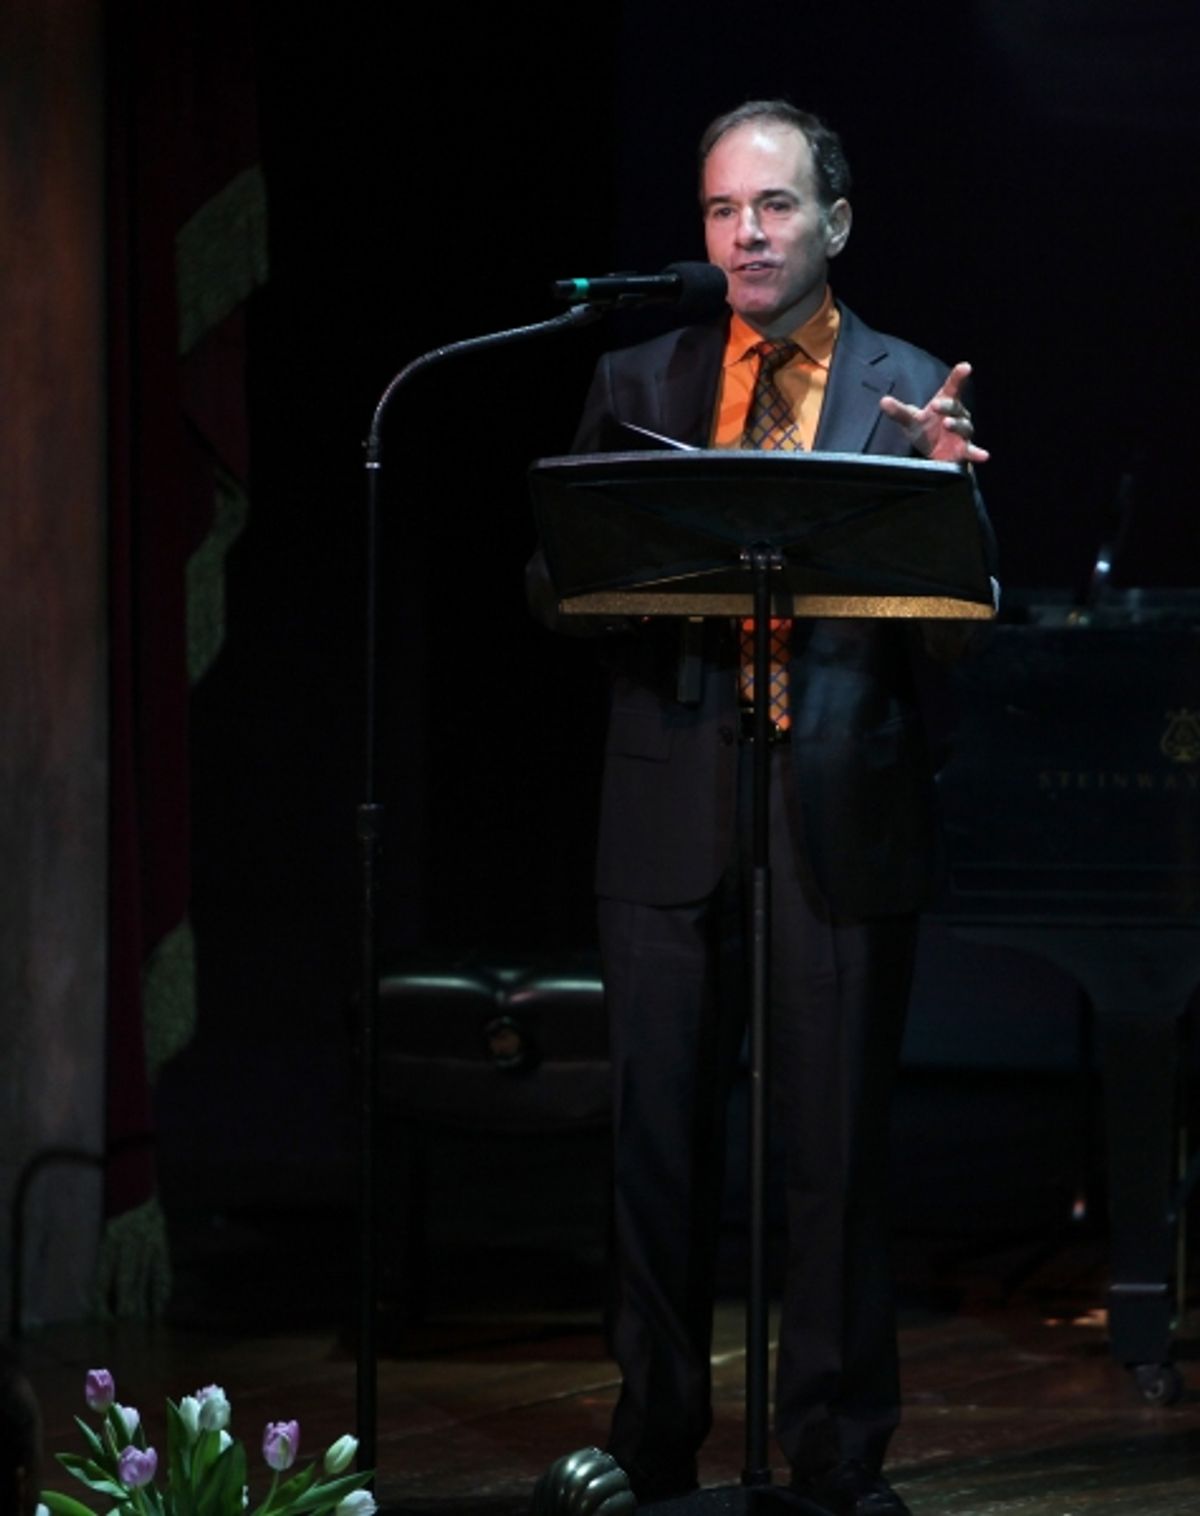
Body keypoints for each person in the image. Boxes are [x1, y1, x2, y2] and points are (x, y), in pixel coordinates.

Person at [528, 99, 996, 1515]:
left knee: (833, 1157)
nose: (745, 233)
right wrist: (619, 548)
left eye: (775, 206)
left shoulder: (912, 384)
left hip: (840, 811)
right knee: (659, 1149)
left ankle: (838, 1459)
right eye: (725, 208)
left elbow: (960, 628)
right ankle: (655, 1439)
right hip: (671, 804)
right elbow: (556, 591)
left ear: (833, 223)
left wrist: (943, 498)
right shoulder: (640, 378)